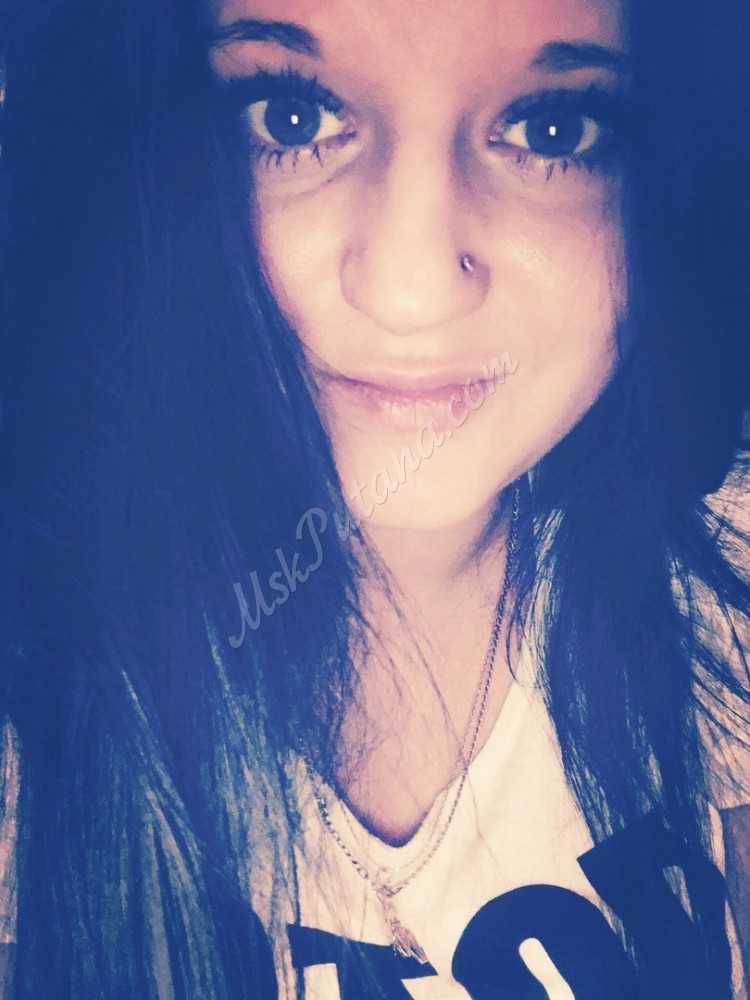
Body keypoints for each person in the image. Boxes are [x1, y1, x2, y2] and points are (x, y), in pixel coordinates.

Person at [0, 0, 749, 997]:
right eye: (293, 117)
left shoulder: (725, 583)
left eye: (552, 128)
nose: (412, 290)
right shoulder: (33, 707)